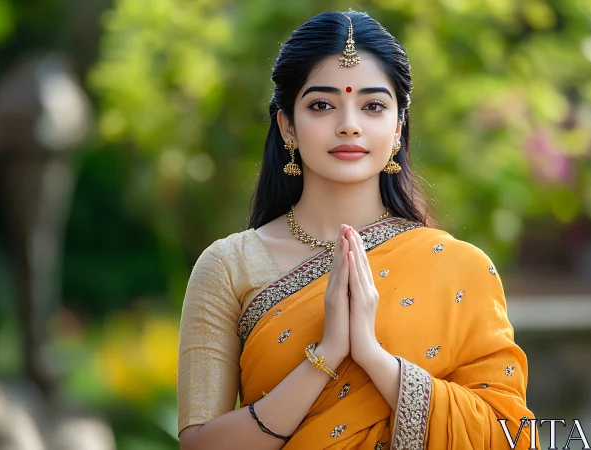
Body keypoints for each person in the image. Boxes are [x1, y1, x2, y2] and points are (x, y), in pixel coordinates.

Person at [177, 10, 538, 450]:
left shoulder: (461, 268)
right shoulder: (228, 267)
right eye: (322, 105)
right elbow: (200, 446)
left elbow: (506, 437)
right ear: (287, 125)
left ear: (398, 127)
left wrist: (371, 354)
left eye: (372, 105)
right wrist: (326, 355)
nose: (349, 124)